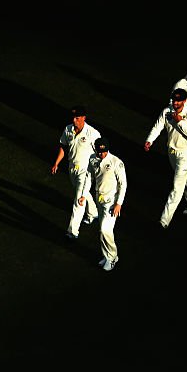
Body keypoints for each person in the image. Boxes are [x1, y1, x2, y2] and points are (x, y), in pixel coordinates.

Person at [144, 88, 187, 227]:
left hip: (186, 154)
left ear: (184, 101)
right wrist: (149, 140)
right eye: (174, 100)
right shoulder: (166, 112)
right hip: (172, 152)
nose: (175, 103)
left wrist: (180, 122)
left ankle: (164, 221)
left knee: (177, 187)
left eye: (178, 101)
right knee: (185, 179)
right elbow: (157, 127)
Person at [51, 105, 102, 240]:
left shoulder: (93, 134)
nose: (74, 120)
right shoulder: (68, 129)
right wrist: (57, 163)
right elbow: (63, 146)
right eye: (73, 117)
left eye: (77, 118)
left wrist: (98, 170)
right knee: (82, 194)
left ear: (83, 118)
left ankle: (73, 231)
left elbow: (100, 153)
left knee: (79, 200)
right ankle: (93, 213)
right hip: (72, 168)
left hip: (85, 171)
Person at [79, 137, 127, 271]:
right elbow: (88, 178)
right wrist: (83, 195)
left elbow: (123, 184)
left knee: (105, 230)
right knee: (102, 231)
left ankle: (112, 257)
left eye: (104, 152)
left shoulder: (116, 162)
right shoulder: (92, 159)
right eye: (99, 152)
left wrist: (119, 203)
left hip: (111, 203)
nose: (102, 154)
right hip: (99, 199)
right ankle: (107, 256)